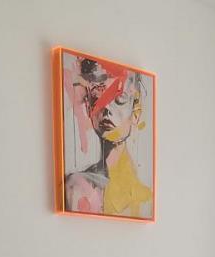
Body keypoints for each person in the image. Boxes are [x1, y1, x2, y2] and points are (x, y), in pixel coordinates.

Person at [62, 55, 152, 218]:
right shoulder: (80, 185)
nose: (107, 109)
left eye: (119, 99)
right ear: (89, 107)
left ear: (136, 112)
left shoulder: (145, 195)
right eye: (98, 99)